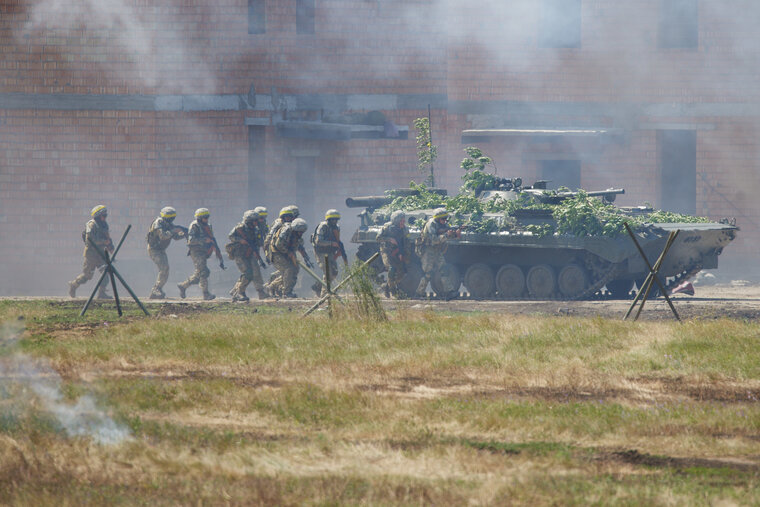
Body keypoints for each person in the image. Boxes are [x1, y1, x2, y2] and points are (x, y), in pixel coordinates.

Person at [68, 205, 115, 299]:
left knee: (106, 272)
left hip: (100, 254)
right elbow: (89, 240)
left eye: (105, 216)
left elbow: (107, 237)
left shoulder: (104, 225)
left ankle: (101, 293)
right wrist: (103, 242)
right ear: (98, 216)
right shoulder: (91, 225)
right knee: (87, 276)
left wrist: (110, 247)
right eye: (103, 215)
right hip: (91, 255)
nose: (104, 218)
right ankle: (74, 285)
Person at [177, 208, 223, 300]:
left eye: (207, 217)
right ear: (199, 218)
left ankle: (183, 285)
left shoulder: (208, 226)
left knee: (200, 273)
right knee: (203, 271)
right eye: (204, 218)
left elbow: (211, 238)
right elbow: (191, 241)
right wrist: (204, 240)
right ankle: (205, 293)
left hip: (204, 251)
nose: (206, 219)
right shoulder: (194, 226)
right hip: (196, 251)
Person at [414, 207, 459, 298]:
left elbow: (447, 235)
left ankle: (449, 292)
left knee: (444, 270)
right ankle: (419, 293)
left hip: (437, 250)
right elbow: (434, 239)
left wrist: (454, 234)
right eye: (443, 219)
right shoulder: (431, 224)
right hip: (428, 250)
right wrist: (446, 235)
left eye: (446, 218)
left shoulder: (443, 225)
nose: (445, 221)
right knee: (428, 273)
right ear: (438, 218)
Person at [226, 210, 268, 302]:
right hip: (240, 254)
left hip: (250, 253)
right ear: (249, 221)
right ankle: (240, 292)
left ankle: (260, 291)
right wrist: (240, 240)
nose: (256, 222)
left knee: (256, 271)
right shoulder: (240, 228)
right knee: (248, 273)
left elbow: (258, 243)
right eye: (254, 221)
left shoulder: (256, 230)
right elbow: (231, 236)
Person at [146, 206, 187, 299]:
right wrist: (173, 231)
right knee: (164, 268)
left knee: (166, 269)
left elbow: (175, 237)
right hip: (154, 249)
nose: (171, 219)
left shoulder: (168, 224)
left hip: (160, 250)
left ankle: (157, 290)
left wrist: (183, 234)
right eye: (170, 217)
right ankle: (156, 289)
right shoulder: (158, 223)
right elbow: (163, 236)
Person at [268, 217, 308, 298]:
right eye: (299, 232)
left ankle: (272, 286)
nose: (300, 234)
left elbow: (297, 245)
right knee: (289, 269)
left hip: (286, 253)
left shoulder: (296, 235)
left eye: (302, 232)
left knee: (295, 269)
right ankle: (286, 292)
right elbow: (278, 244)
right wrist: (288, 252)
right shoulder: (286, 230)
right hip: (277, 253)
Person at [311, 209, 347, 296]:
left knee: (334, 272)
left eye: (336, 220)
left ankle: (318, 286)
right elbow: (318, 241)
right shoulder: (323, 226)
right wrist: (331, 243)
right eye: (333, 219)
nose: (335, 221)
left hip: (330, 252)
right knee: (328, 272)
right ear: (329, 219)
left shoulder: (336, 228)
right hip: (320, 252)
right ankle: (325, 294)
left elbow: (337, 241)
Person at [377, 210, 412, 298]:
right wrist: (389, 239)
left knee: (402, 272)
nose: (403, 222)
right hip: (387, 251)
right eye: (401, 221)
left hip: (398, 251)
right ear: (396, 221)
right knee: (391, 269)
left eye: (404, 220)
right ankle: (393, 292)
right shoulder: (387, 227)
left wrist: (404, 255)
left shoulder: (405, 229)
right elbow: (378, 238)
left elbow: (406, 243)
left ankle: (387, 286)